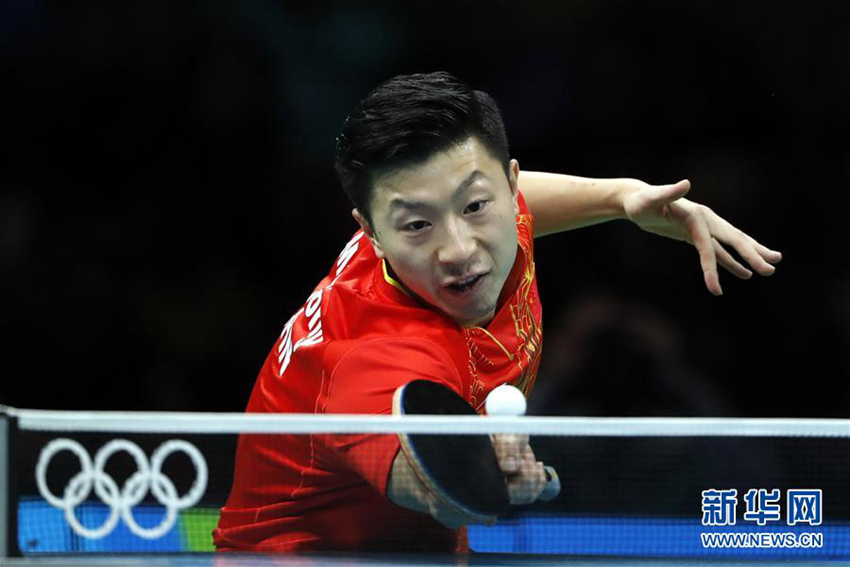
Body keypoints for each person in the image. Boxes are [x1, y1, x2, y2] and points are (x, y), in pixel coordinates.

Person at [213, 72, 781, 553]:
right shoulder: (373, 358)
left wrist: (622, 199)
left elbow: (485, 200)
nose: (458, 249)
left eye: (475, 205)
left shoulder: (471, 228)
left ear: (509, 187)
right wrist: (489, 475)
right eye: (418, 224)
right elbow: (437, 491)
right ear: (371, 233)